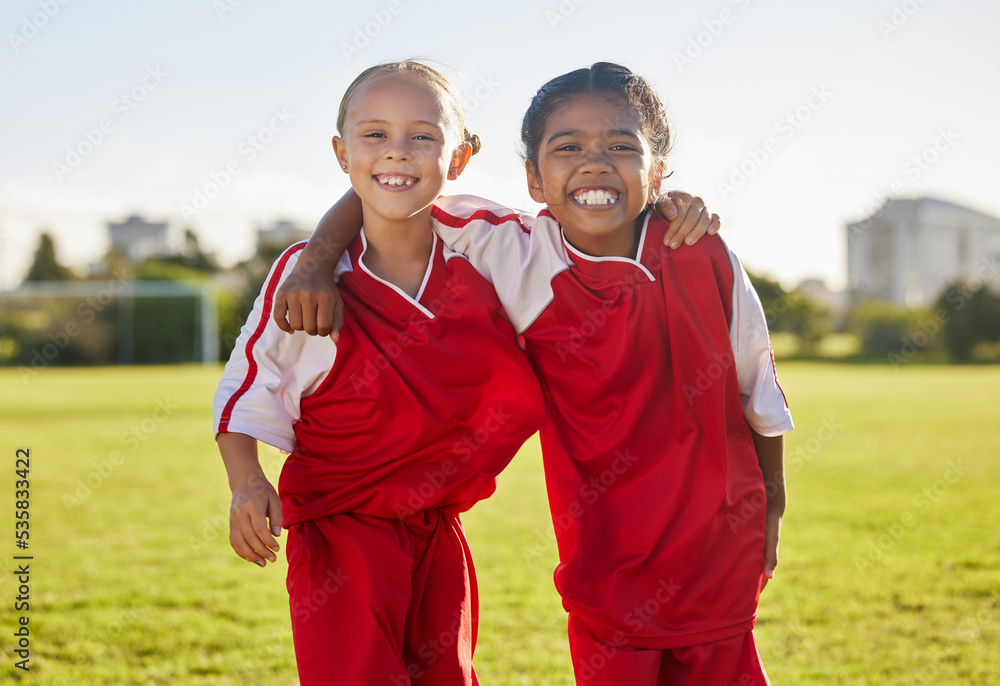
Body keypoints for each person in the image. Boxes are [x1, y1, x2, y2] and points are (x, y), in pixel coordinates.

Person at [274, 62, 787, 686]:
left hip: (719, 547)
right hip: (605, 558)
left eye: (622, 147)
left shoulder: (703, 255)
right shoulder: (515, 251)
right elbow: (388, 186)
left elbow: (758, 387)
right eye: (567, 147)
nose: (594, 163)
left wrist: (772, 504)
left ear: (655, 171)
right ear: (534, 179)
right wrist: (315, 262)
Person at [212, 61, 549, 686]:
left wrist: (665, 201)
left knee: (448, 675)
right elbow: (246, 382)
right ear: (341, 153)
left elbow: (586, 234)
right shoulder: (308, 276)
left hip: (438, 523)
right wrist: (246, 482)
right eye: (374, 135)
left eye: (422, 135)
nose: (397, 152)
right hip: (343, 528)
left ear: (459, 158)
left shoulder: (488, 247)